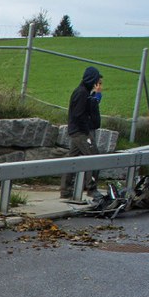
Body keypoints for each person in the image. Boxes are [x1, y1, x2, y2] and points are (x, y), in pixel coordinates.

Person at [61, 66, 103, 198]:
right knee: (94, 157)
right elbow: (79, 115)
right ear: (92, 80)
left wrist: (96, 96)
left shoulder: (84, 93)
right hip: (80, 132)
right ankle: (91, 188)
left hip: (77, 131)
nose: (99, 85)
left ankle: (65, 191)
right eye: (98, 82)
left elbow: (90, 109)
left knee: (72, 160)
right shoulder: (81, 93)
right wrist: (86, 130)